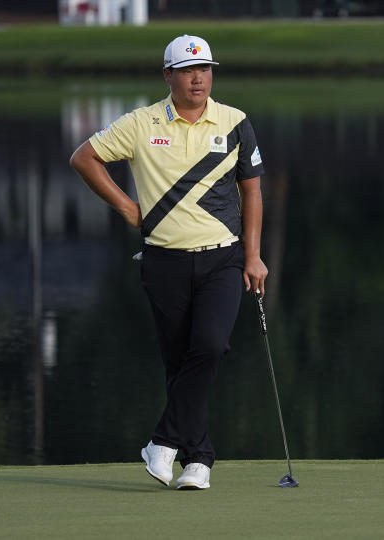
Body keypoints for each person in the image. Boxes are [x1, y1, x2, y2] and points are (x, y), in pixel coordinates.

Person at [69, 34, 268, 490]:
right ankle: (198, 462)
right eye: (186, 70)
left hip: (223, 258)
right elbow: (85, 157)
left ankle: (162, 443)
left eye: (204, 69)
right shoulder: (141, 124)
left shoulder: (235, 122)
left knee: (212, 346)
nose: (198, 78)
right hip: (164, 262)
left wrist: (254, 255)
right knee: (179, 361)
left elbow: (252, 189)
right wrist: (124, 206)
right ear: (168, 76)